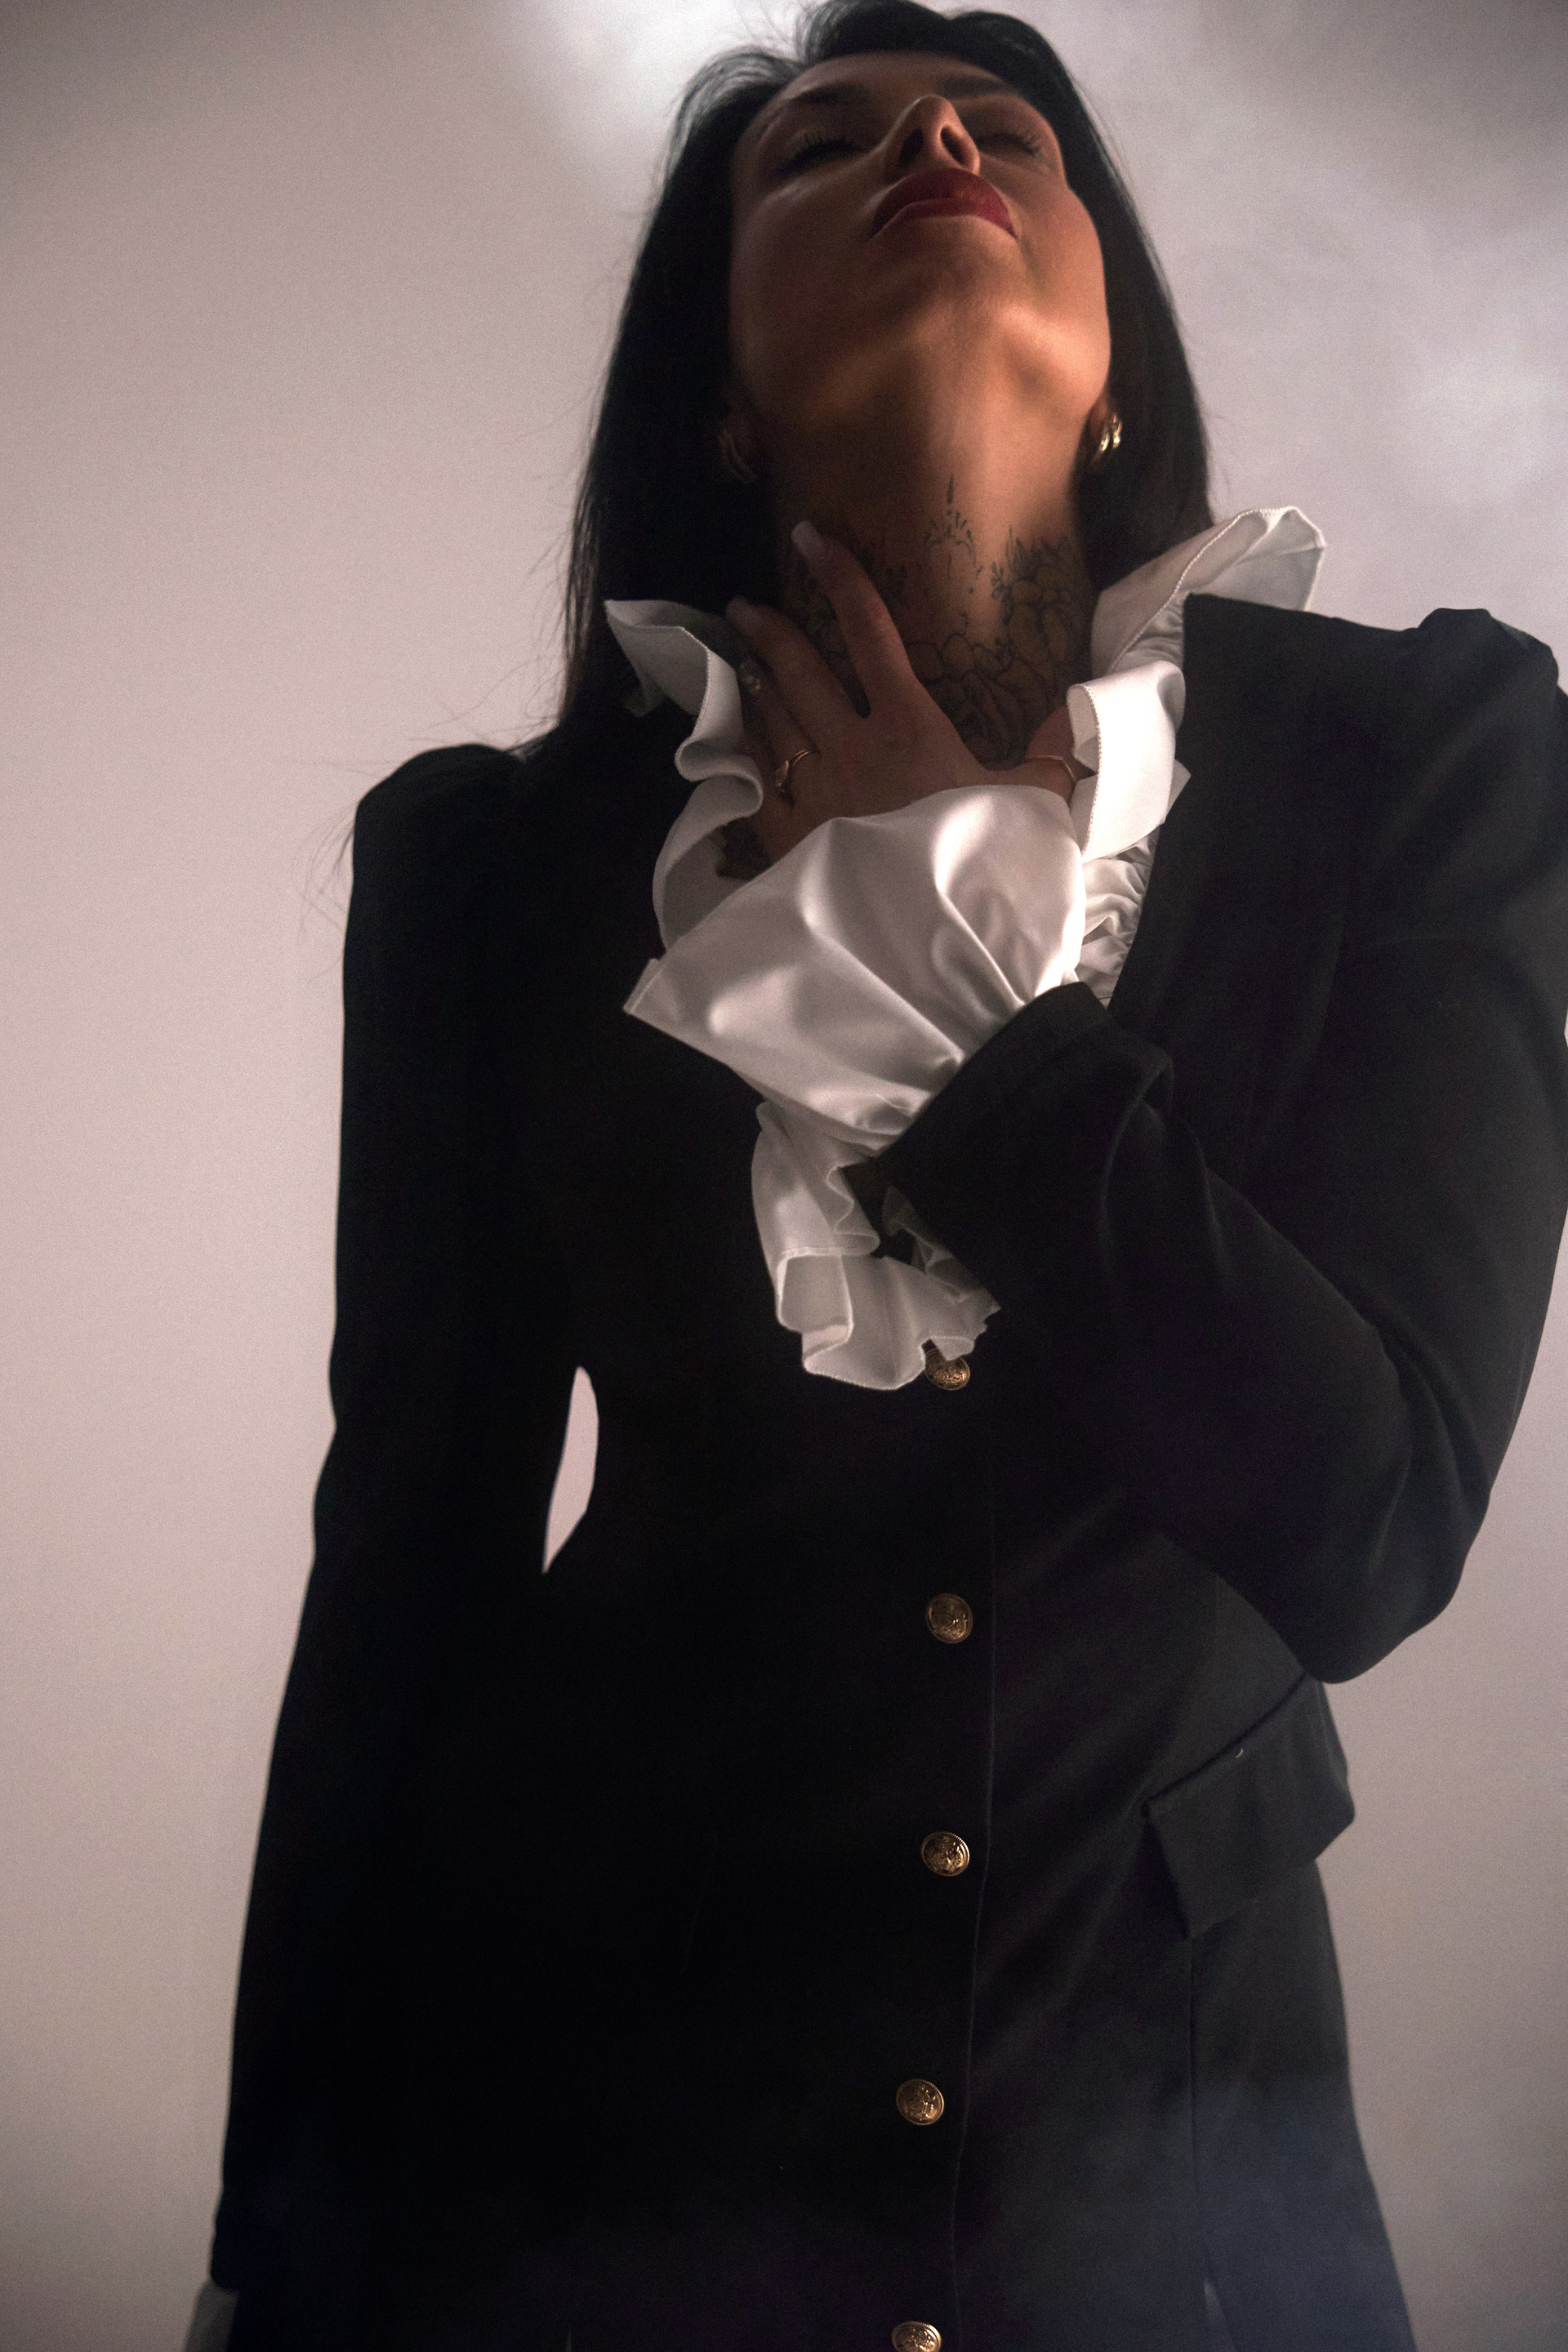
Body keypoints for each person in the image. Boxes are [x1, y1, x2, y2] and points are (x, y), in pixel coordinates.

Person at [191, 4, 1568, 2348]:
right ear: (724, 394)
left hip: (1181, 2176)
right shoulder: (495, 864)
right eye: (821, 147)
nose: (935, 134)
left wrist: (953, 988)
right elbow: (407, 1572)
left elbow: (1364, 1525)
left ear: (1113, 365)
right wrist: (275, 2238)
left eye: (1005, 127)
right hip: (585, 2127)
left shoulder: (1427, 757)